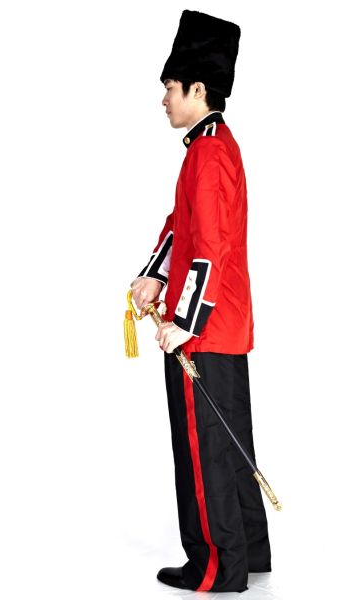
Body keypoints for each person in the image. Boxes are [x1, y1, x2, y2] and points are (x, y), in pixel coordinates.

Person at [130, 10, 271, 593]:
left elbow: (209, 248)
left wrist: (183, 322)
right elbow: (181, 226)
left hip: (205, 331)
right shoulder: (212, 148)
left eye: (170, 87)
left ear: (196, 89)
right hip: (226, 324)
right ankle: (250, 552)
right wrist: (153, 277)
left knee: (204, 445)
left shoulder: (207, 154)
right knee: (232, 440)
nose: (163, 98)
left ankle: (216, 565)